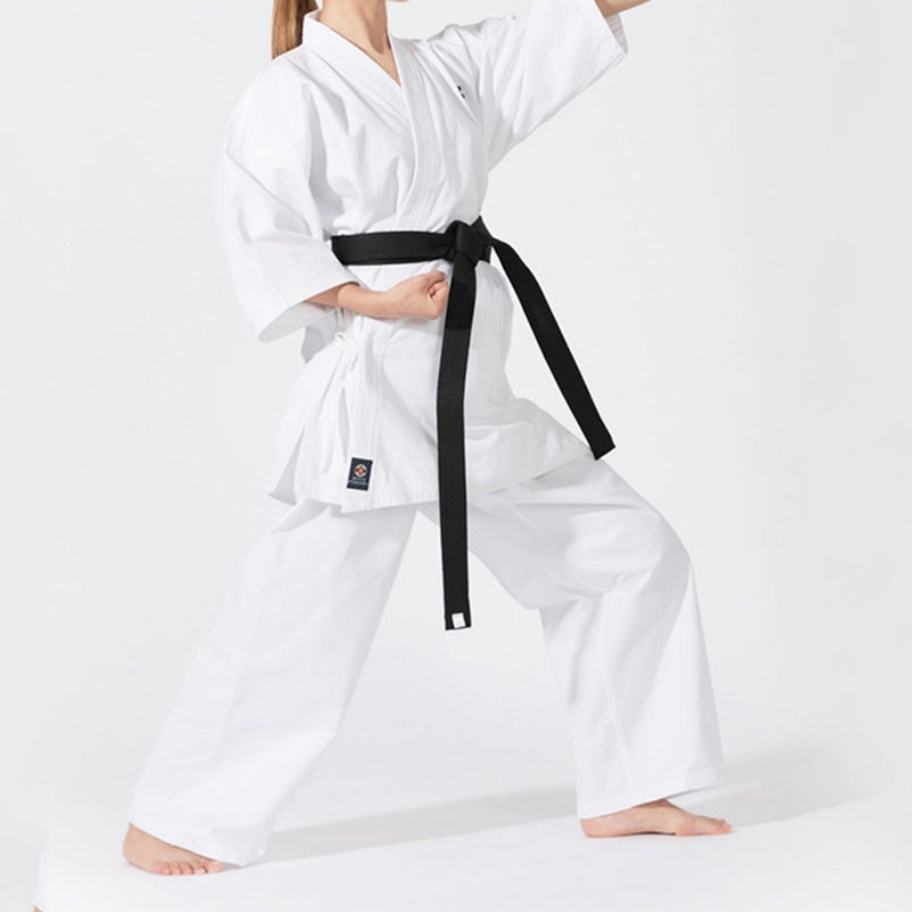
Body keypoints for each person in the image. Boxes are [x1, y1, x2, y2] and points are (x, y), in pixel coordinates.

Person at [121, 0, 731, 877]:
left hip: (469, 391)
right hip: (371, 385)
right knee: (301, 614)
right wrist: (372, 301)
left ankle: (630, 783)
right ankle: (175, 818)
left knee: (630, 552)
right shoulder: (291, 91)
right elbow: (262, 236)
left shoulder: (451, 68)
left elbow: (579, 15)